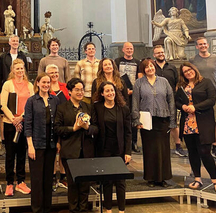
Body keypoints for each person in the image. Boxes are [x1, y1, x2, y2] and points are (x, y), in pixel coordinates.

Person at [55, 78, 98, 213]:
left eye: (82, 89)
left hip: (86, 151)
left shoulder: (88, 107)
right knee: (73, 184)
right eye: (77, 90)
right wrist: (73, 129)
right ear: (69, 91)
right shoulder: (62, 108)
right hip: (70, 151)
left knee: (85, 184)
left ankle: (84, 209)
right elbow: (57, 129)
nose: (80, 92)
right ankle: (73, 210)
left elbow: (96, 128)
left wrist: (87, 128)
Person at [132, 59, 176, 187]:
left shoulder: (164, 81)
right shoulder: (139, 83)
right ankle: (151, 178)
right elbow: (135, 102)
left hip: (163, 119)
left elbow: (171, 101)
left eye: (151, 66)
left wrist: (172, 120)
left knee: (163, 150)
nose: (150, 68)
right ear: (143, 70)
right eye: (147, 67)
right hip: (147, 120)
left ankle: (163, 178)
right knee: (149, 149)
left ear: (155, 67)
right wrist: (136, 120)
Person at [175, 62, 216, 191]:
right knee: (192, 152)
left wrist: (195, 107)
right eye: (185, 71)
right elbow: (177, 101)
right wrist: (182, 106)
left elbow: (211, 100)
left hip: (203, 122)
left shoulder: (206, 82)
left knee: (205, 152)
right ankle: (197, 179)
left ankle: (215, 180)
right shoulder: (182, 86)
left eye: (190, 69)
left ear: (195, 69)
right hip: (188, 123)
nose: (188, 72)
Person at [92, 81, 131, 213]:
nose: (110, 93)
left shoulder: (123, 108)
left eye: (112, 90)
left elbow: (128, 132)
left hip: (119, 149)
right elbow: (95, 126)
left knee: (120, 181)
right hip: (104, 149)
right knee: (107, 181)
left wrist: (128, 151)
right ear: (102, 93)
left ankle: (121, 210)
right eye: (107, 91)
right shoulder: (97, 107)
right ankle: (108, 209)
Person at [24, 72, 60, 213]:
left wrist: (57, 142)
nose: (46, 85)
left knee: (48, 179)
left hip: (51, 144)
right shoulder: (31, 101)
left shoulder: (55, 100)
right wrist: (30, 145)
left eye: (48, 82)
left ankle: (47, 208)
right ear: (37, 83)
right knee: (37, 179)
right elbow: (28, 124)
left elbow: (58, 122)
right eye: (43, 82)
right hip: (36, 144)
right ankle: (37, 209)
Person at [1, 58, 33, 196]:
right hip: (10, 123)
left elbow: (31, 103)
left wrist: (22, 117)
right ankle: (9, 183)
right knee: (10, 155)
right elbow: (3, 104)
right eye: (17, 68)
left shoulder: (29, 85)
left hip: (24, 122)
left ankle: (20, 182)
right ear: (13, 70)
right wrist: (13, 119)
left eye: (22, 68)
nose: (20, 71)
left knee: (21, 154)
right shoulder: (8, 84)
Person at [153, 45, 188, 157]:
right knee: (158, 123)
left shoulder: (171, 67)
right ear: (154, 55)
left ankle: (178, 147)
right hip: (156, 100)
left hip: (171, 99)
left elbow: (178, 83)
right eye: (158, 53)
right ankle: (160, 147)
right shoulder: (152, 67)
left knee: (173, 123)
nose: (161, 54)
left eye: (162, 52)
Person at [189, 37, 216, 158]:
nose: (203, 46)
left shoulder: (215, 58)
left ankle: (215, 145)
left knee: (215, 120)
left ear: (208, 45)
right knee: (203, 120)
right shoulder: (193, 60)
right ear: (196, 46)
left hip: (214, 92)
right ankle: (204, 144)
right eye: (200, 44)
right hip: (199, 93)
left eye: (205, 44)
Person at [45, 64, 70, 190]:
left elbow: (70, 100)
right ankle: (53, 178)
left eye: (56, 72)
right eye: (51, 73)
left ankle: (64, 178)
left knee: (63, 150)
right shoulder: (45, 87)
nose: (54, 75)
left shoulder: (64, 86)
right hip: (51, 122)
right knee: (53, 150)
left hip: (64, 121)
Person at [115, 42, 141, 153]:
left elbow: (139, 78)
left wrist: (133, 90)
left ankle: (133, 142)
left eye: (131, 48)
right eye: (127, 48)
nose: (129, 50)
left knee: (133, 117)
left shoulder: (137, 62)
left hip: (133, 94)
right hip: (120, 93)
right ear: (123, 50)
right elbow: (115, 75)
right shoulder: (117, 61)